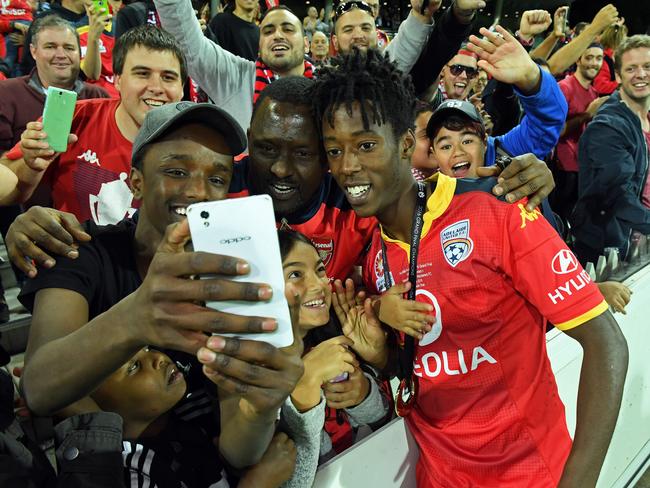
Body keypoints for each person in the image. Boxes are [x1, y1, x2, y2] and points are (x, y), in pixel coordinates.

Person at [313, 46, 628, 488]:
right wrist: (383, 356)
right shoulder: (377, 258)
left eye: (365, 145)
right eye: (334, 150)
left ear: (406, 143)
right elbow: (424, 374)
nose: (348, 166)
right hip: (439, 477)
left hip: (531, 475)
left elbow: (607, 344)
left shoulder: (496, 207)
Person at [4, 75, 557, 286]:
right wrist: (29, 225)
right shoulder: (219, 187)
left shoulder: (357, 206)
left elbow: (436, 221)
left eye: (306, 153)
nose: (284, 169)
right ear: (248, 142)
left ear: (328, 156)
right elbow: (137, 236)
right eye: (267, 149)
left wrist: (527, 192)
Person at [16, 101, 304, 474]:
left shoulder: (232, 275)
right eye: (176, 171)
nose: (199, 190)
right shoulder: (84, 250)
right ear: (136, 180)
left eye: (217, 178)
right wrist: (136, 317)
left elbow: (239, 451)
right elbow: (38, 388)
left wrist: (262, 408)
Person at [152, 0, 435, 131]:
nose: (277, 35)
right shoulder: (234, 75)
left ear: (306, 43)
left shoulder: (331, 83)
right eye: (268, 30)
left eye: (288, 29)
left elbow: (385, 67)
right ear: (259, 44)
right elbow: (186, 39)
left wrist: (419, 18)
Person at [1, 25, 185, 225]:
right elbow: (8, 190)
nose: (156, 87)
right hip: (73, 253)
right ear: (118, 80)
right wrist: (30, 166)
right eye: (142, 73)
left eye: (168, 77)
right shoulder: (74, 117)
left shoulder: (200, 141)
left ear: (182, 89)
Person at [82, 347, 298, 487]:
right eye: (134, 367)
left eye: (147, 349)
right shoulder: (129, 473)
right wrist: (256, 484)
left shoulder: (194, 410)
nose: (158, 359)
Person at [276, 229, 391, 486]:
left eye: (319, 270)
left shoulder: (339, 338)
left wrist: (362, 393)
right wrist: (304, 391)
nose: (319, 284)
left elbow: (388, 424)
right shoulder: (256, 378)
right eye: (295, 274)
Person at [572, 34, 650, 264]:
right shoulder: (608, 127)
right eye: (631, 68)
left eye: (647, 66)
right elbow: (618, 195)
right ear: (617, 75)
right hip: (612, 250)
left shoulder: (645, 118)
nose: (641, 74)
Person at [0, 14, 108, 153]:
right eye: (50, 47)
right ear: (34, 51)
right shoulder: (6, 93)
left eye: (69, 48)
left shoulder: (99, 97)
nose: (61, 55)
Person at [553, 43, 607, 222]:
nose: (594, 63)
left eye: (599, 58)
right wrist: (587, 115)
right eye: (589, 57)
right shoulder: (565, 87)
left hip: (582, 169)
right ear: (578, 59)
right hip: (561, 169)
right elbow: (556, 131)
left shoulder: (594, 93)